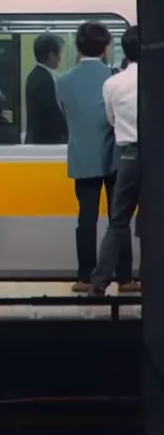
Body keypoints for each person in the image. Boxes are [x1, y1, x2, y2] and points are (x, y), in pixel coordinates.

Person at [56, 22, 134, 293]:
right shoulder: (114, 76)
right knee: (119, 218)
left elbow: (65, 115)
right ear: (105, 48)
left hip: (82, 156)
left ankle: (85, 276)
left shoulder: (62, 81)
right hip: (114, 156)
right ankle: (124, 277)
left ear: (78, 47)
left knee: (86, 219)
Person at [89, 26, 141, 297]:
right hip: (157, 155)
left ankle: (99, 282)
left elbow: (111, 120)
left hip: (129, 155)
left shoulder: (112, 83)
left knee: (118, 220)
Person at [25, 33, 67, 144]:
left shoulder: (36, 75)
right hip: (47, 141)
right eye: (60, 53)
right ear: (51, 55)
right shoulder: (45, 80)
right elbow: (53, 115)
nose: (60, 58)